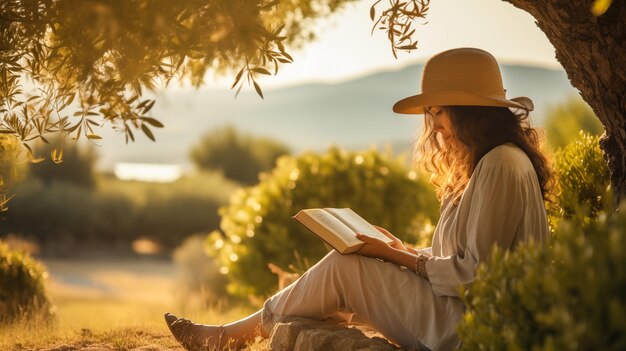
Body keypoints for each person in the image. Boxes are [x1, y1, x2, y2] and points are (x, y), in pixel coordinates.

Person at [164, 47, 553, 351]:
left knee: (345, 267)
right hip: (463, 313)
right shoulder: (487, 164)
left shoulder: (501, 164)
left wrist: (399, 257)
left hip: (472, 327)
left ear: (467, 111)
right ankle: (248, 331)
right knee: (353, 260)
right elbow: (464, 258)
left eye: (437, 111)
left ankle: (228, 338)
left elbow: (478, 276)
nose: (434, 125)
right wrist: (400, 249)